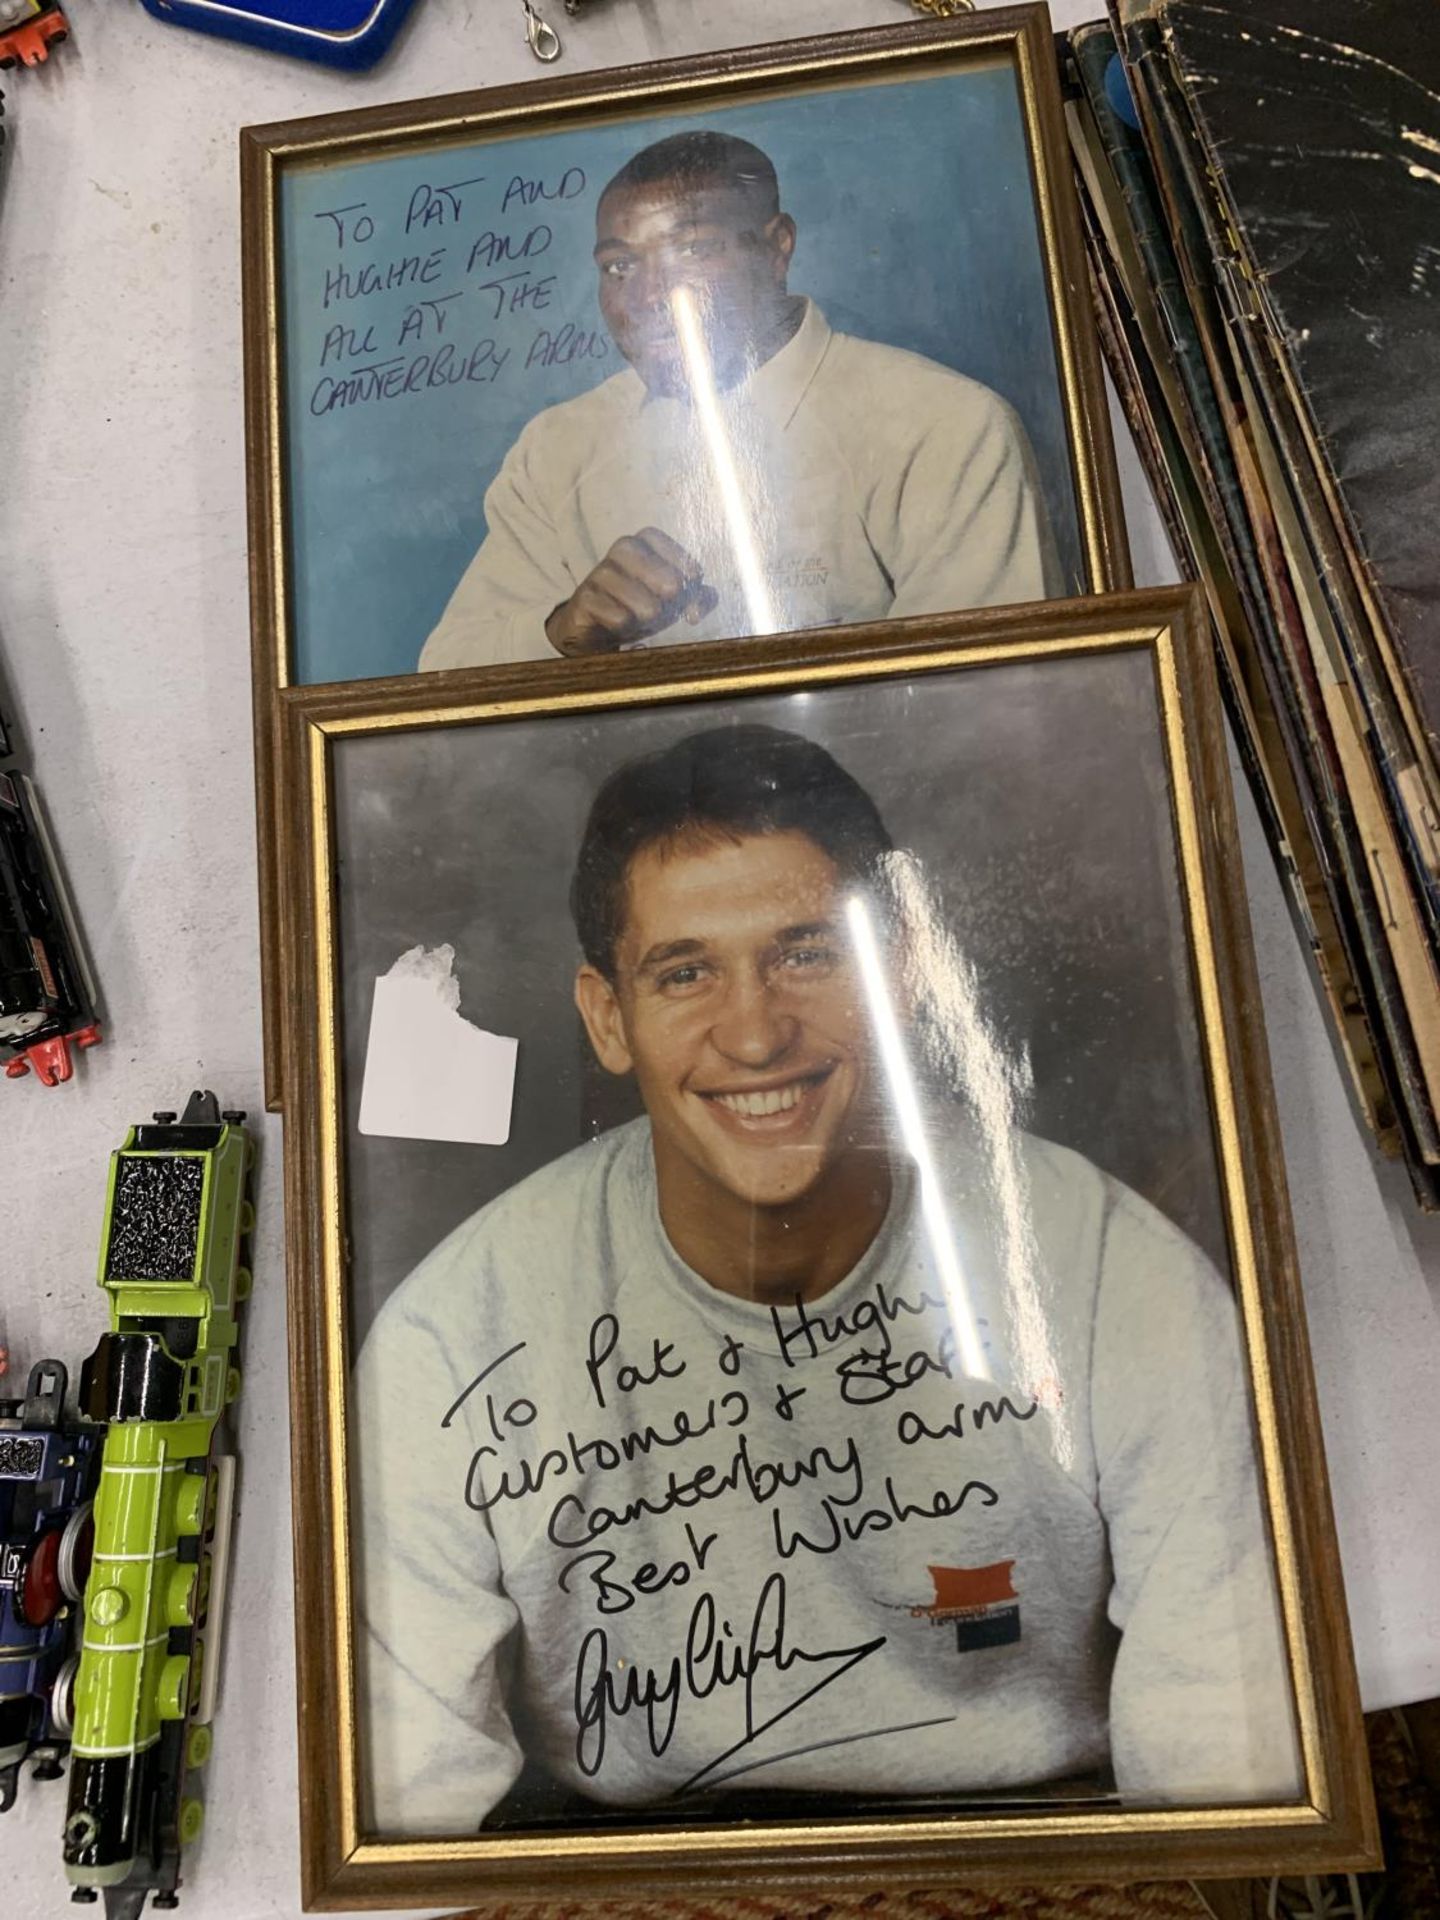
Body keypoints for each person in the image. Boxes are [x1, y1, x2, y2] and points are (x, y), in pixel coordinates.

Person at [353, 724, 1300, 1834]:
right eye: (686, 971)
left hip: (1038, 1836)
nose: (754, 1035)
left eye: (809, 952)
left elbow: (1223, 1762)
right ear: (609, 1017)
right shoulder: (452, 1341)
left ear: (900, 970)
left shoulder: (1107, 1271)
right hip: (632, 1872)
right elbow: (400, 1817)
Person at [418, 132, 1066, 671]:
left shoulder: (943, 427)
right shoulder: (556, 451)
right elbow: (443, 678)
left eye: (692, 250)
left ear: (778, 246)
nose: (647, 296)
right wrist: (564, 631)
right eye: (620, 266)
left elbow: (991, 703)